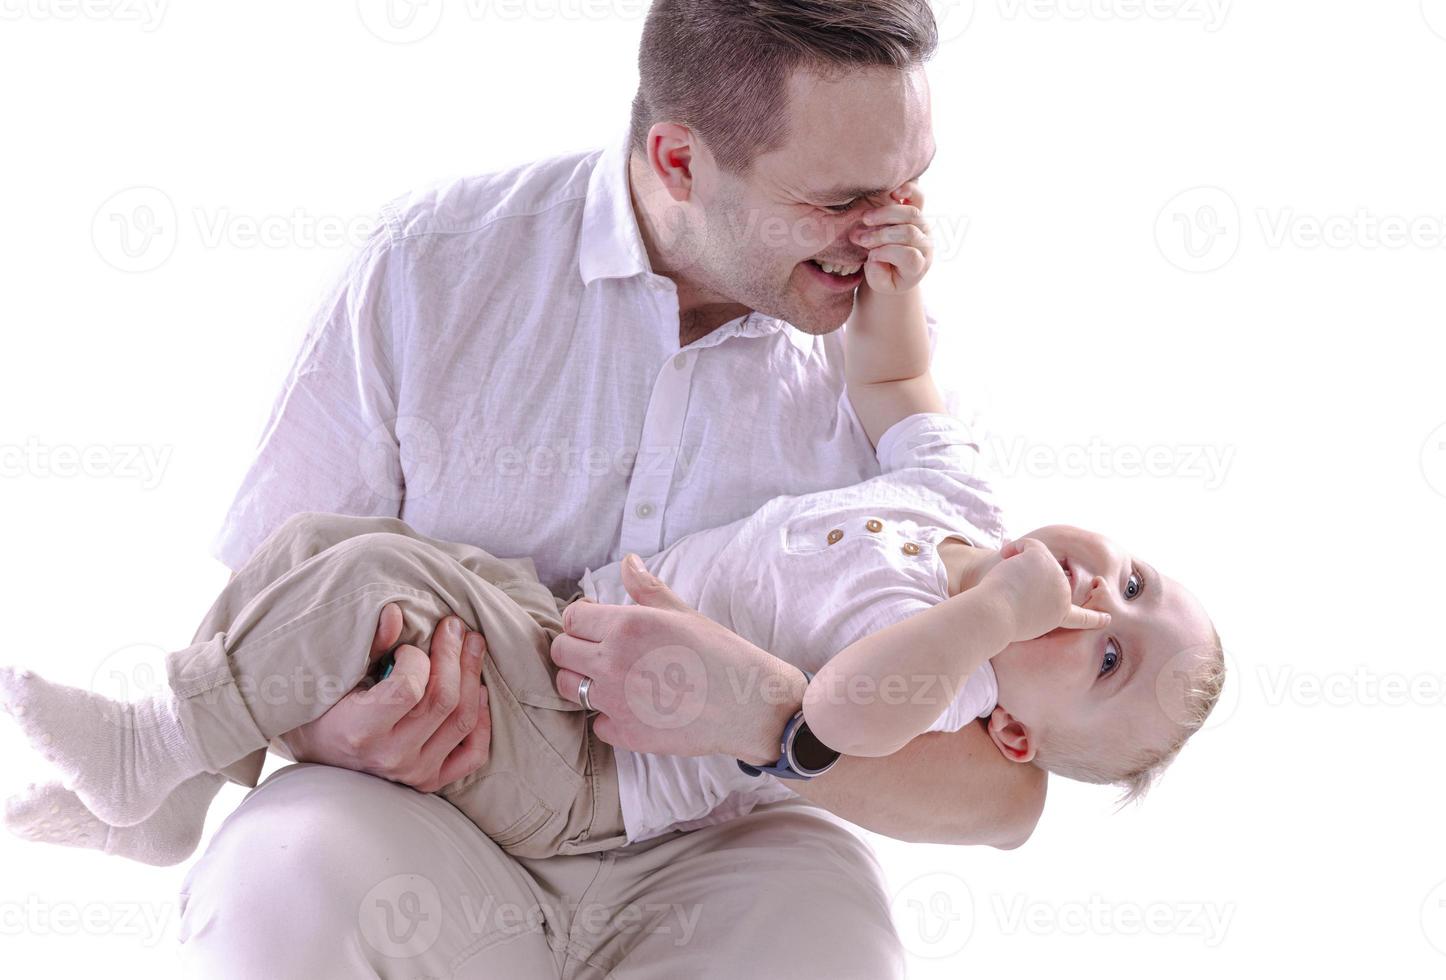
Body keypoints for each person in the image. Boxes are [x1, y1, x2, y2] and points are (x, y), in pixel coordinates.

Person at [101, 3, 1051, 976]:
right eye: (842, 199)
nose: (889, 233)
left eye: (910, 185)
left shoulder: (889, 362)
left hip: (725, 844)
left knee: (831, 943)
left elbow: (1006, 790)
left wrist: (770, 716)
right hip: (433, 806)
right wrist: (327, 726)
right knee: (277, 874)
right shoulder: (432, 268)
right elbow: (268, 597)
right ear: (681, 162)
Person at [0, 202, 1225, 869]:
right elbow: (898, 386)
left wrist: (995, 617)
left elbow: (834, 716)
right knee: (323, 541)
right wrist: (895, 282)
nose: (1096, 598)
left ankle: (152, 739)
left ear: (1013, 728)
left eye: (1107, 653)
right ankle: (172, 796)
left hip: (598, 765)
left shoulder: (944, 679)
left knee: (363, 574)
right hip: (557, 631)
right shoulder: (959, 506)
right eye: (1134, 579)